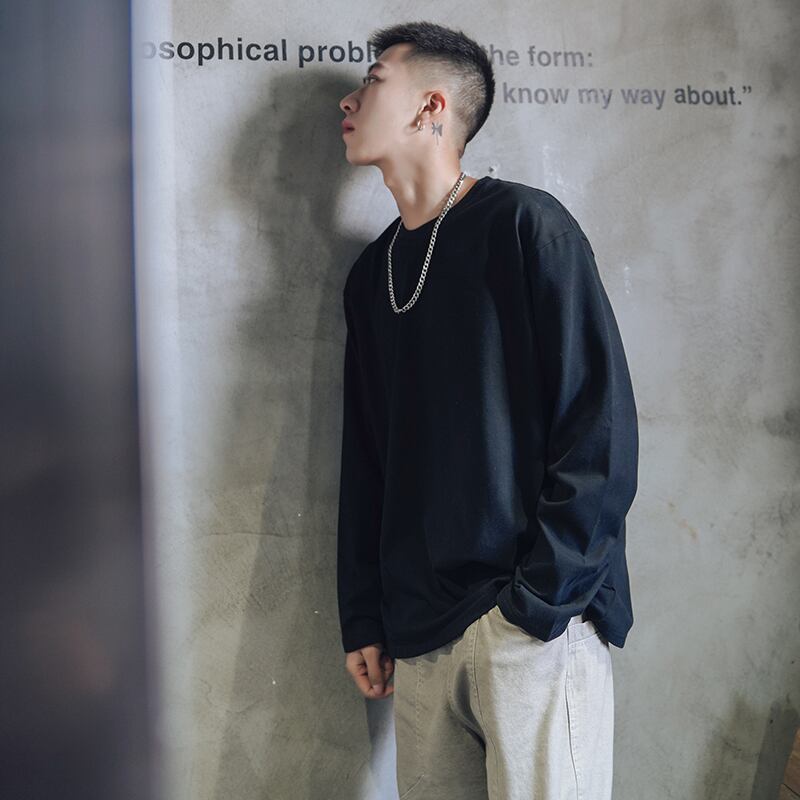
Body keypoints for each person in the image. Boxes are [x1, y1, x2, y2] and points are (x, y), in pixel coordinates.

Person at [336, 20, 639, 800]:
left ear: (430, 106)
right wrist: (364, 614)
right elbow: (367, 458)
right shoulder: (372, 277)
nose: (349, 100)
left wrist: (537, 604)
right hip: (420, 635)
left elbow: (599, 428)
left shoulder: (525, 226)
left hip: (531, 624)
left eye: (373, 81)